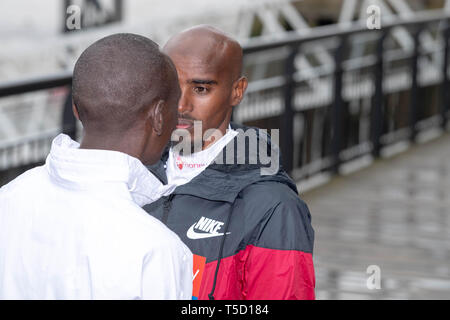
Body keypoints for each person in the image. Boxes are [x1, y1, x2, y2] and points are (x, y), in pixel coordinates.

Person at [0, 33, 192, 299]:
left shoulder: (8, 199)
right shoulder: (155, 250)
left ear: (77, 110)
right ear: (159, 116)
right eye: (175, 106)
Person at [144, 25, 315, 300]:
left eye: (200, 88)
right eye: (171, 88)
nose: (180, 105)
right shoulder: (129, 174)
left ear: (237, 91)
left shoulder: (274, 206)